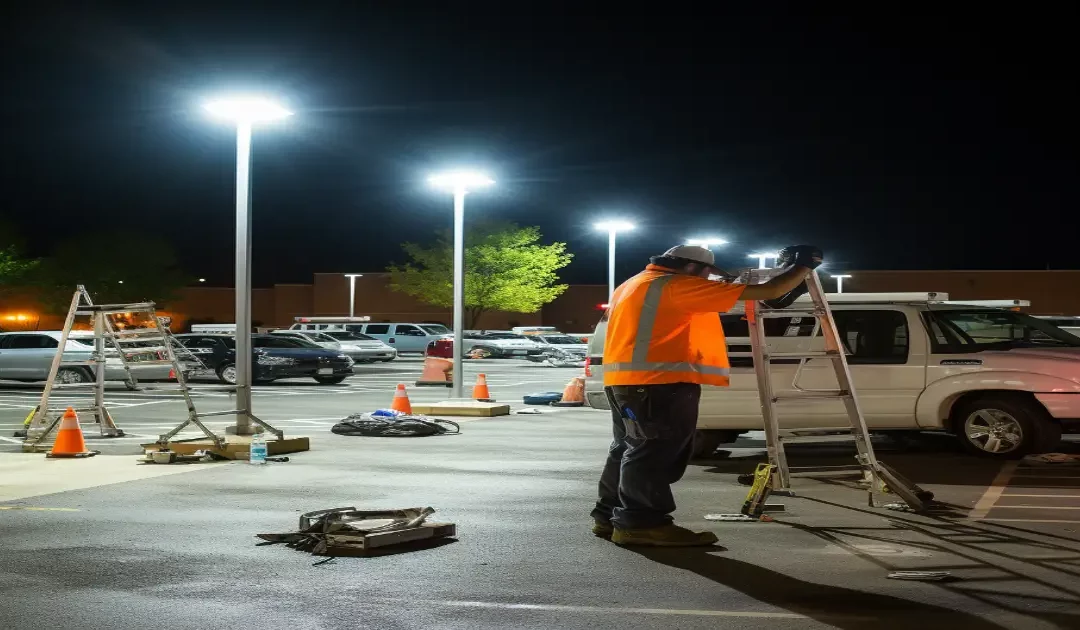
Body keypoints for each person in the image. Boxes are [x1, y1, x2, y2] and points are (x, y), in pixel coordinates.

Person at [591, 244, 823, 546]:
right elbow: (771, 291)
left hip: (628, 382)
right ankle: (642, 523)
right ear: (692, 268)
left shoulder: (635, 284)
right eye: (706, 275)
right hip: (659, 382)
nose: (708, 282)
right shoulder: (678, 286)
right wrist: (804, 266)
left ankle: (609, 517)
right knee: (652, 453)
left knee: (628, 449)